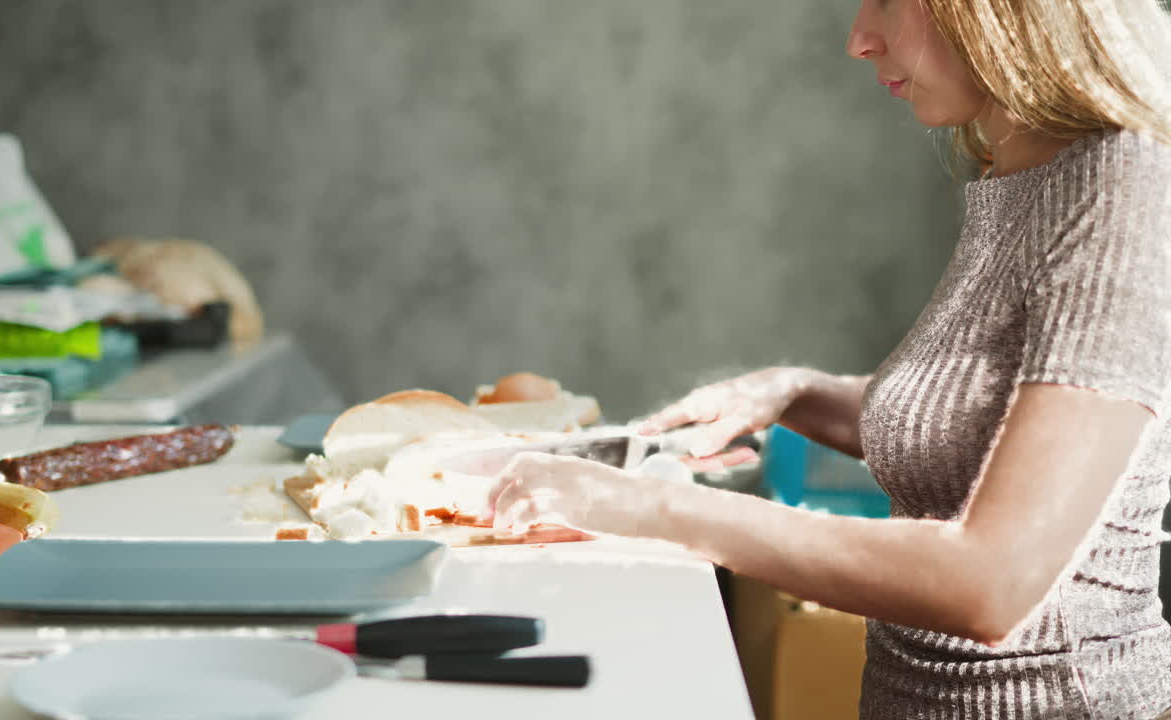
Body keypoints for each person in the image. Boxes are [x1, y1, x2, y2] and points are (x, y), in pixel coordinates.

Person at [486, 0, 1171, 717]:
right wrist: (796, 393)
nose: (859, 40)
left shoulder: (1125, 191)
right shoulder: (1018, 168)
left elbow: (992, 583)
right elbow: (982, 419)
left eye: (885, 0)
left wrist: (653, 508)